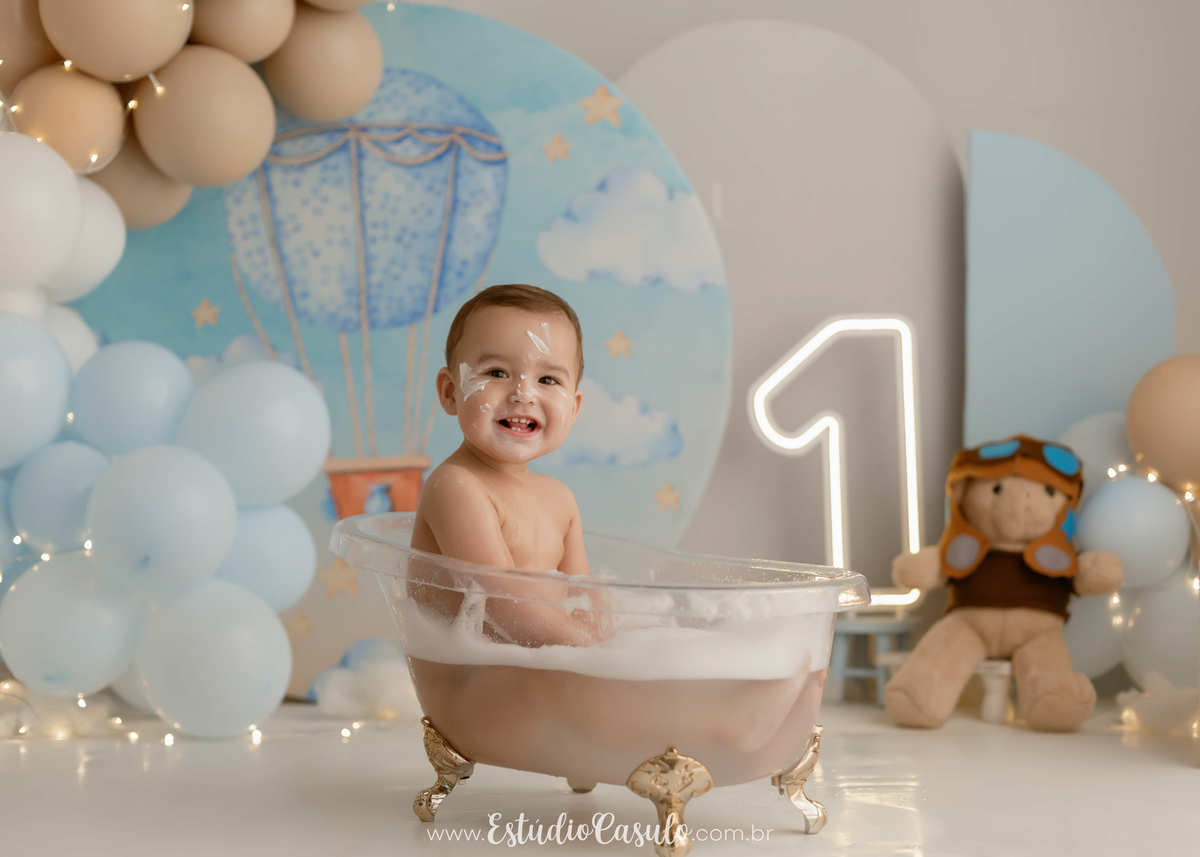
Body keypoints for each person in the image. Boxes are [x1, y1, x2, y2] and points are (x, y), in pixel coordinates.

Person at [410, 283, 604, 646]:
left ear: (574, 407)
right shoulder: (456, 486)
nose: (523, 394)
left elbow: (587, 605)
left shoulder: (560, 499)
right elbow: (502, 608)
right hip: (474, 674)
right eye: (497, 373)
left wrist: (614, 643)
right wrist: (594, 654)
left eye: (547, 379)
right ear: (450, 392)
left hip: (542, 662)